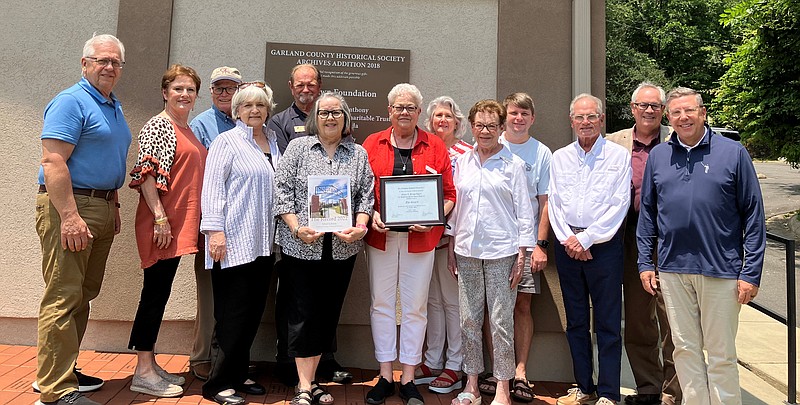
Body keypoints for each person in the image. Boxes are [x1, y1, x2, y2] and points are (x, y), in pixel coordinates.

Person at [637, 87, 765, 405]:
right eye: (676, 112)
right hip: (671, 269)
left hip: (721, 269)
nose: (683, 117)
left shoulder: (733, 154)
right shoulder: (659, 157)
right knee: (685, 349)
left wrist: (751, 272)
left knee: (721, 353)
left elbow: (754, 216)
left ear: (703, 113)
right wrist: (644, 263)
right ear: (669, 117)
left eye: (689, 111)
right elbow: (648, 215)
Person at [34, 34, 131, 405]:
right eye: (101, 60)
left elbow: (107, 158)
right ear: (84, 63)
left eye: (115, 62)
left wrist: (114, 204)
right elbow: (53, 161)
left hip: (101, 207)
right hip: (72, 208)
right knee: (63, 296)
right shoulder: (70, 101)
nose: (109, 67)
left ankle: (63, 368)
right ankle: (55, 391)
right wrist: (71, 216)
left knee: (83, 295)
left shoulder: (111, 104)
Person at [274, 92, 375, 405]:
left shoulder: (357, 154)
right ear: (314, 118)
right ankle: (304, 386)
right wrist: (295, 227)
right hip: (301, 247)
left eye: (336, 113)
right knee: (301, 313)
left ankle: (313, 380)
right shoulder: (297, 148)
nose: (330, 118)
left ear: (345, 118)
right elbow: (282, 192)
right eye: (324, 113)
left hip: (341, 250)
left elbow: (365, 196)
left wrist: (359, 227)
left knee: (327, 314)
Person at [362, 83, 456, 405]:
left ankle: (410, 376)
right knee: (381, 305)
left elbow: (449, 196)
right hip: (381, 238)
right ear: (389, 111)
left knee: (415, 308)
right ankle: (386, 375)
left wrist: (432, 218)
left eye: (410, 107)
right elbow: (361, 191)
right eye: (398, 107)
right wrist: (371, 213)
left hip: (421, 241)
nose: (404, 112)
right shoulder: (372, 144)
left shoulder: (435, 146)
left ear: (419, 112)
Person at [447, 99, 536, 405]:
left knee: (500, 321)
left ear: (501, 129)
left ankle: (502, 388)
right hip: (466, 250)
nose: (484, 131)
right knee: (469, 319)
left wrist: (523, 254)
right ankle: (471, 384)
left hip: (503, 252)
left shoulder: (512, 165)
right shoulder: (463, 162)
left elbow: (525, 213)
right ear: (471, 126)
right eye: (479, 125)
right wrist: (450, 244)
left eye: (491, 126)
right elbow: (457, 208)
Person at [127, 64, 206, 398]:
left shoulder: (186, 128)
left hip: (175, 226)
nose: (184, 95)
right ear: (165, 92)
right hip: (161, 226)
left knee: (159, 293)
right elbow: (146, 174)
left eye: (190, 90)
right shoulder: (160, 125)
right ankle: (143, 371)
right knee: (155, 294)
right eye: (178, 89)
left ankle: (149, 362)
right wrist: (160, 218)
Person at [200, 82, 281, 405]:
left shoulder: (273, 141)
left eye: (260, 105)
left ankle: (237, 374)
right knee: (231, 314)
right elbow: (213, 189)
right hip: (233, 242)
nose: (254, 110)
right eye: (247, 105)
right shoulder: (227, 142)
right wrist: (214, 232)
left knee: (251, 314)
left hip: (264, 244)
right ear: (236, 111)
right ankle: (217, 384)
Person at [269, 64, 350, 384]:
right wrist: (294, 224)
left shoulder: (342, 131)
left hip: (334, 234)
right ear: (291, 86)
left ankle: (326, 360)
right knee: (293, 300)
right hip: (298, 236)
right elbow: (282, 178)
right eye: (300, 84)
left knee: (328, 300)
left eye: (312, 84)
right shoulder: (280, 123)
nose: (306, 89)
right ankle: (287, 359)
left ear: (319, 87)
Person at [550, 94, 631, 405]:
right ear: (571, 122)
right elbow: (554, 203)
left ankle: (609, 392)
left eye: (591, 117)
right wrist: (569, 240)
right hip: (567, 248)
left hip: (605, 248)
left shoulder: (617, 157)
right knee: (576, 322)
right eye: (579, 117)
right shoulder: (560, 157)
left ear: (601, 120)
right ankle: (585, 387)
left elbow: (619, 204)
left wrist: (587, 240)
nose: (585, 122)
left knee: (608, 323)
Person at [605, 82, 679, 405]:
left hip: (669, 239)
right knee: (637, 319)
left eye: (655, 106)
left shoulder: (677, 141)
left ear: (663, 110)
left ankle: (674, 392)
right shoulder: (613, 142)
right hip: (628, 237)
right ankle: (649, 387)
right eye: (643, 105)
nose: (649, 111)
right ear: (633, 108)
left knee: (674, 320)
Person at [478, 92, 552, 403]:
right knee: (490, 311)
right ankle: (498, 372)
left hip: (523, 247)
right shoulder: (491, 145)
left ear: (532, 118)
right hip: (491, 246)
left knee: (521, 307)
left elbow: (545, 203)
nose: (518, 118)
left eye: (524, 113)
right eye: (513, 113)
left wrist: (539, 244)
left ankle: (519, 371)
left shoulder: (541, 153)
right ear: (503, 117)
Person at [187, 65, 243, 381]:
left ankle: (226, 355)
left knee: (234, 296)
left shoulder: (247, 123)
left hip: (242, 225)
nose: (226, 94)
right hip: (214, 223)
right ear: (211, 92)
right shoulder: (202, 125)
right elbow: (201, 178)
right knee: (209, 295)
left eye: (231, 88)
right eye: (220, 88)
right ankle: (201, 356)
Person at [413, 96, 470, 394]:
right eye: (437, 116)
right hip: (425, 236)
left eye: (448, 116)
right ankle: (433, 359)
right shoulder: (424, 150)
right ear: (430, 121)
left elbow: (465, 200)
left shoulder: (467, 154)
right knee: (431, 301)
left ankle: (455, 364)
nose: (442, 121)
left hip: (452, 238)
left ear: (457, 123)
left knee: (452, 302)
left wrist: (454, 237)